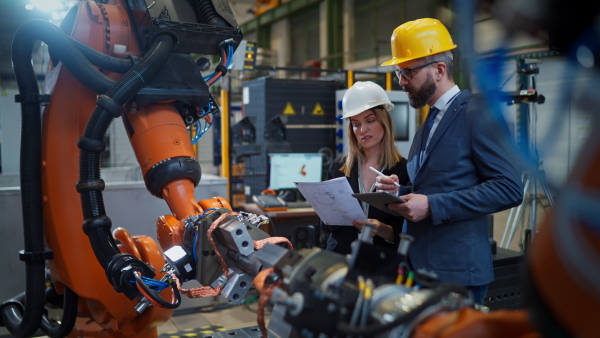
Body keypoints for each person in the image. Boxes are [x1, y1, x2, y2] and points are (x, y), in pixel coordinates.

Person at [376, 18, 523, 304]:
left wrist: (432, 206)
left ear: (439, 70)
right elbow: (432, 188)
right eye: (398, 73)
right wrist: (399, 193)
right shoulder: (427, 125)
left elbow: (509, 188)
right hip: (418, 269)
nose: (401, 82)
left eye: (407, 72)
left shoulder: (478, 115)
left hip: (456, 276)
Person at [322, 81, 409, 255]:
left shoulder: (403, 169)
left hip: (381, 261)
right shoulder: (339, 167)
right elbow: (325, 226)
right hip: (341, 258)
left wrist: (383, 229)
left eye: (370, 120)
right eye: (355, 124)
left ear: (384, 122)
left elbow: (407, 231)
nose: (362, 129)